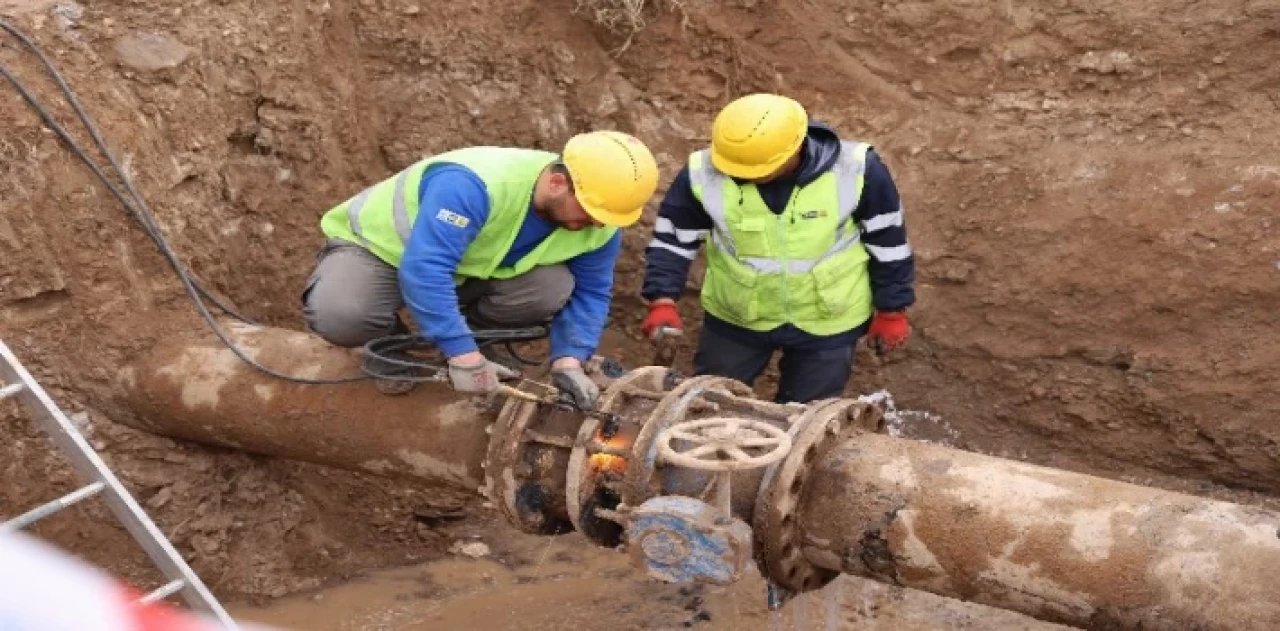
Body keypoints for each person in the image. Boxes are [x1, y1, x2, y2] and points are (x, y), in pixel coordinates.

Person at [303, 131, 659, 408]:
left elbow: (591, 292)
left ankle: (475, 339)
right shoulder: (475, 185)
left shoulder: (598, 222)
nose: (596, 224)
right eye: (589, 213)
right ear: (556, 183)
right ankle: (389, 346)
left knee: (551, 287)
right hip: (382, 253)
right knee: (341, 312)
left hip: (467, 269)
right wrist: (464, 356)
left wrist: (570, 361)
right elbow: (426, 268)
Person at [639, 93, 916, 404]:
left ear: (795, 148)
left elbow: (888, 242)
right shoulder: (703, 173)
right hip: (737, 317)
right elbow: (673, 239)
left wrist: (892, 309)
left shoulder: (858, 170)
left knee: (804, 420)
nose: (743, 175)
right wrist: (662, 299)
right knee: (711, 407)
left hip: (828, 320)